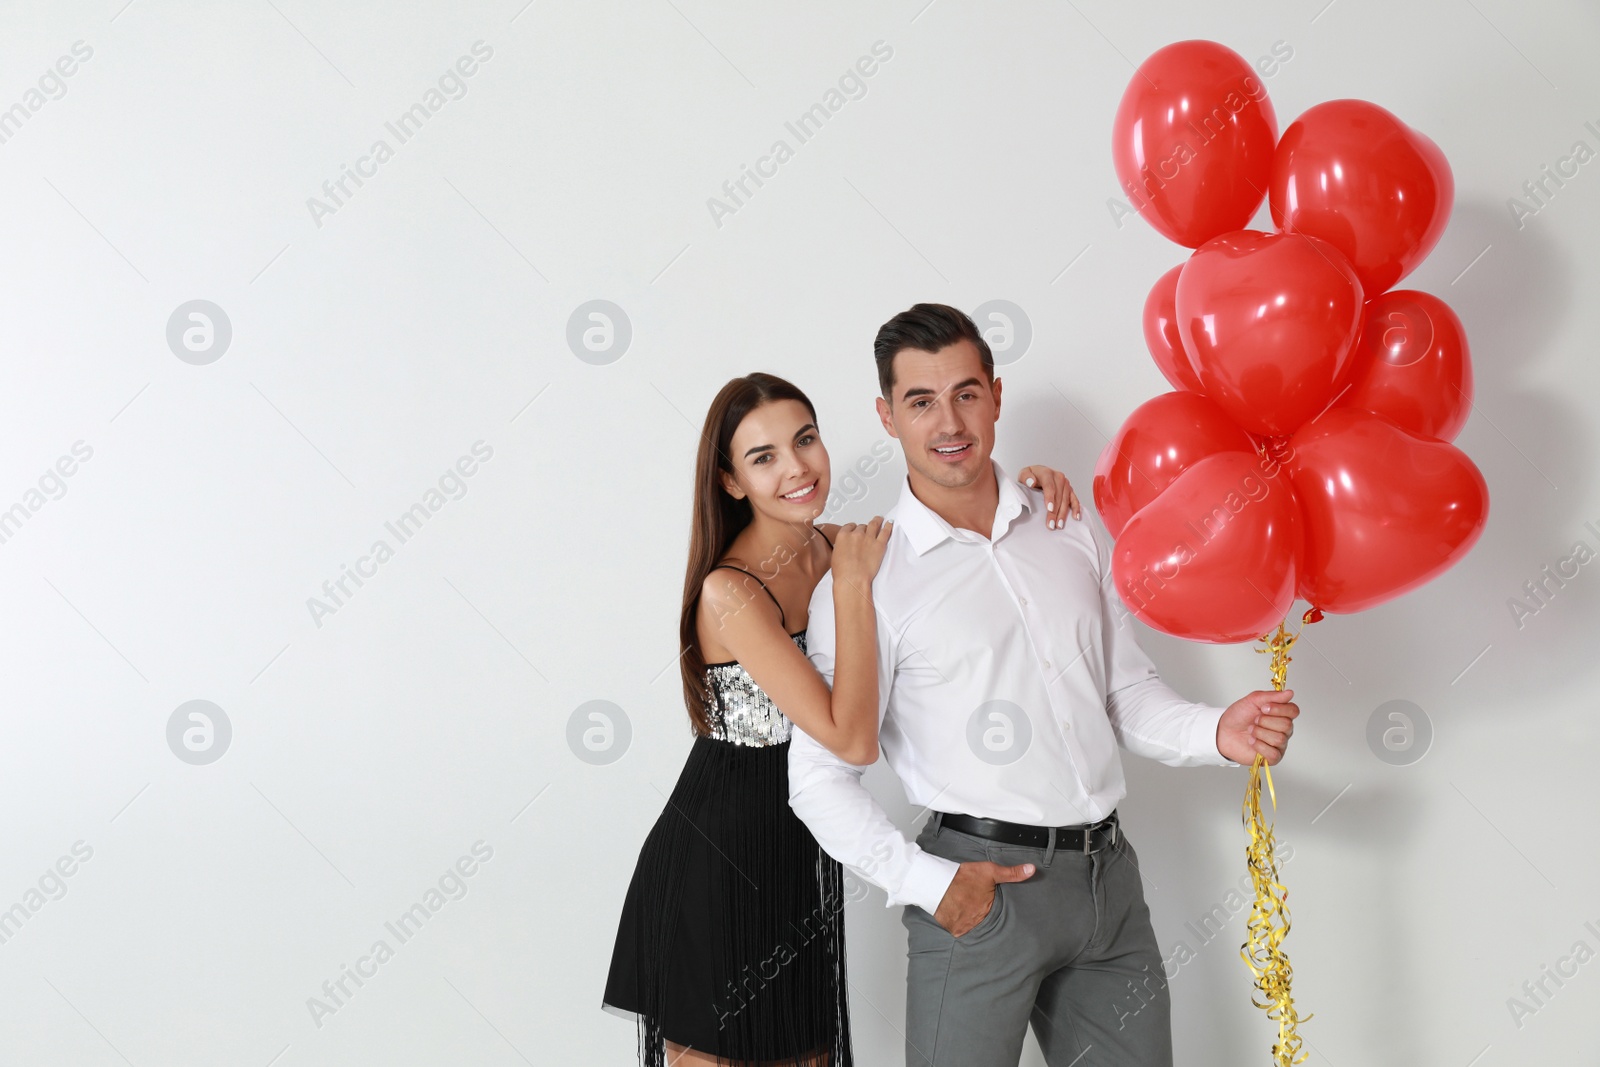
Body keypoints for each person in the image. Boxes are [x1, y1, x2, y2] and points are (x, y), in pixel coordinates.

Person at [786, 304, 1302, 1067]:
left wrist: (1215, 729)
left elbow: (1124, 691)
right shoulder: (865, 580)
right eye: (920, 401)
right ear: (887, 416)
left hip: (1108, 888)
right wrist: (927, 883)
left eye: (966, 392)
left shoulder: (1066, 525)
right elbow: (818, 780)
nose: (949, 420)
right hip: (977, 892)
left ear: (996, 394)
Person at [602, 371, 1083, 1066]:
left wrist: (1029, 493)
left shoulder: (843, 548)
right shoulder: (729, 591)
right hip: (716, 855)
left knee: (806, 1053)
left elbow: (957, 546)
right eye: (763, 456)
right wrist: (853, 585)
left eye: (805, 439)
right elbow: (852, 737)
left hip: (802, 846)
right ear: (731, 481)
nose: (797, 466)